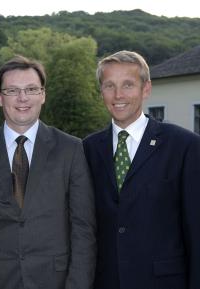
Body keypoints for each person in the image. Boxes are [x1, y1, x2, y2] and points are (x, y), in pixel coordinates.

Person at [0, 55, 96, 289]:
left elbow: (83, 228)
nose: (23, 98)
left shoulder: (71, 150)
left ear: (43, 95)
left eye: (31, 89)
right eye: (12, 90)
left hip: (55, 280)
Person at [83, 50, 200, 289]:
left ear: (146, 89)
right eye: (109, 86)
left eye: (128, 85)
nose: (118, 95)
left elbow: (196, 231)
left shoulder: (184, 146)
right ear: (101, 91)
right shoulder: (87, 149)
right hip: (106, 282)